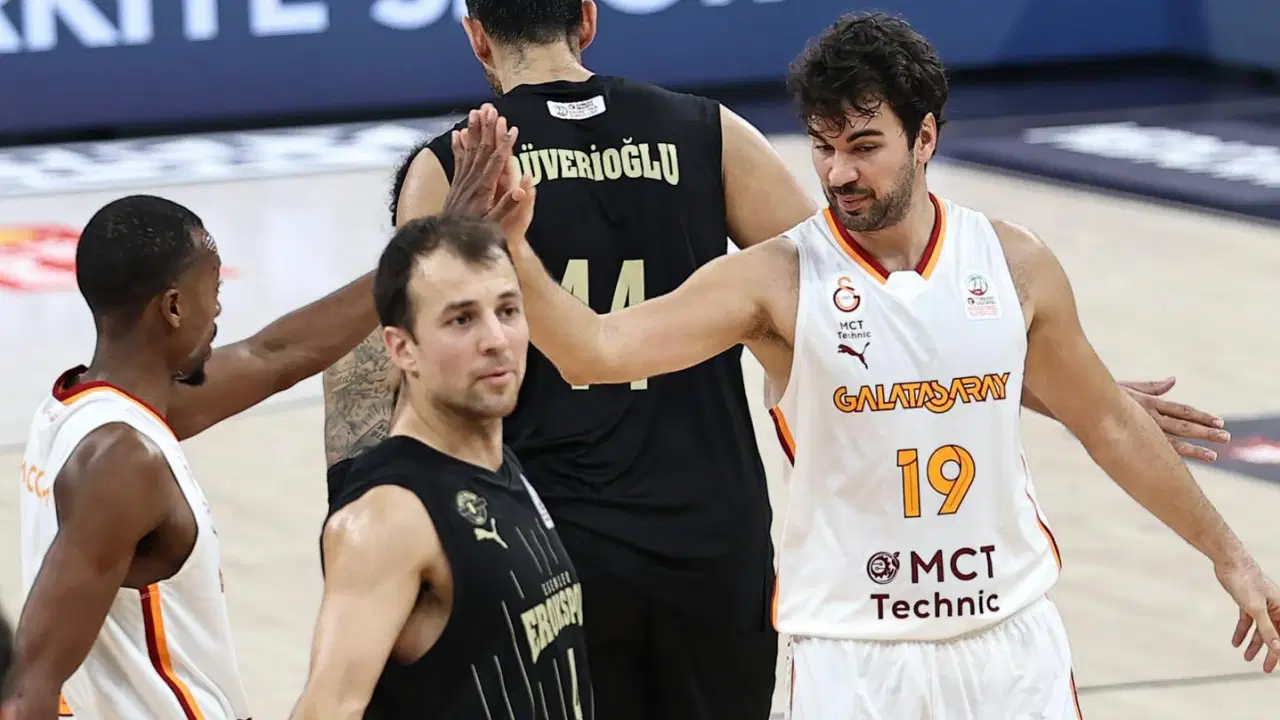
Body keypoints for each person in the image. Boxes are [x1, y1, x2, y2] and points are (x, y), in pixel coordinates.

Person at [323, 4, 1232, 719]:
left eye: (859, 146)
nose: (839, 173)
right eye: (827, 148)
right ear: (589, 18)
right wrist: (1061, 390)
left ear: (476, 37)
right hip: (754, 570)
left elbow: (392, 371)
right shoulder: (723, 160)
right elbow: (845, 299)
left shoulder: (449, 168)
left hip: (561, 544)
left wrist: (1074, 386)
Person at [4, 133, 512, 720]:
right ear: (173, 307)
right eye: (213, 291)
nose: (220, 309)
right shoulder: (122, 460)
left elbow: (276, 356)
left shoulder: (82, 410)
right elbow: (30, 685)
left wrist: (429, 251)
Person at [291, 208, 594, 718]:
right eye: (461, 319)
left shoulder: (499, 466)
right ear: (402, 348)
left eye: (508, 310)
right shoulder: (390, 517)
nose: (496, 339)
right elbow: (326, 709)